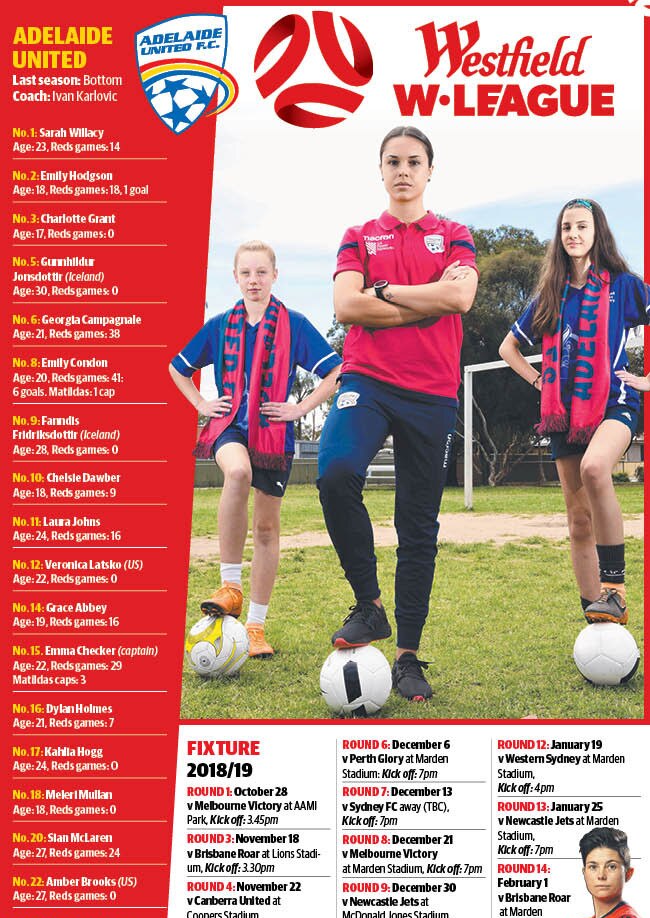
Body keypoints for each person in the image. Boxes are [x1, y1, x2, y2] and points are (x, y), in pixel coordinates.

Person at [317, 126, 478, 702]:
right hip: (368, 379)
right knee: (335, 473)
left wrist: (382, 295)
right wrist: (421, 297)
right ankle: (369, 604)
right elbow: (345, 305)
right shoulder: (358, 235)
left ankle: (409, 657)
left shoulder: (455, 234)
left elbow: (460, 299)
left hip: (432, 391)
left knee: (417, 527)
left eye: (414, 161)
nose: (403, 170)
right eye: (393, 161)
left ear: (430, 170)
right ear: (380, 170)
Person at [170, 240, 341, 657]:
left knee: (266, 530)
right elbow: (178, 368)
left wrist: (299, 407)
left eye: (261, 272)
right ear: (235, 277)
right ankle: (230, 585)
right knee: (238, 472)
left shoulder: (295, 324)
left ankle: (256, 627)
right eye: (245, 273)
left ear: (275, 276)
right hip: (229, 426)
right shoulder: (219, 325)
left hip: (274, 435)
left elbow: (336, 371)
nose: (253, 280)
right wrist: (201, 405)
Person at [499, 199, 648, 626]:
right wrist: (538, 380)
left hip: (615, 404)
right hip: (563, 413)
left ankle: (614, 591)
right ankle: (598, 623)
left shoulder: (623, 285)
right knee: (578, 520)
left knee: (596, 469)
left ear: (597, 232)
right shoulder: (550, 294)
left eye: (582, 226)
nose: (573, 234)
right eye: (566, 227)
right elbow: (507, 347)